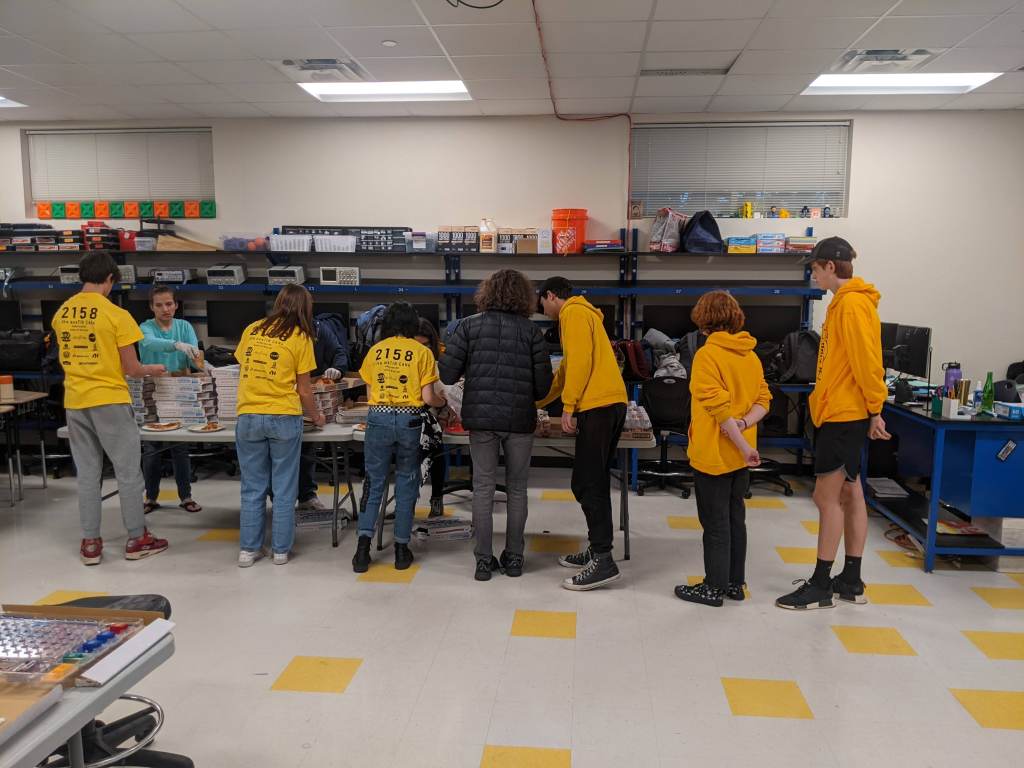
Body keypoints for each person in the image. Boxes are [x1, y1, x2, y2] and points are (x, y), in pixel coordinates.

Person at [776, 237, 890, 610]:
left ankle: (821, 584)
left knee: (825, 498)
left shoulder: (852, 305)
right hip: (843, 410)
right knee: (850, 493)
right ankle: (851, 580)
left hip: (844, 413)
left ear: (829, 266)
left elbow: (868, 362)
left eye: (814, 268)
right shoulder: (846, 303)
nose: (814, 275)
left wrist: (875, 408)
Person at [52, 251, 168, 566]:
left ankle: (91, 543)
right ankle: (137, 538)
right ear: (109, 279)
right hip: (110, 400)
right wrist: (153, 369)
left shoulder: (62, 312)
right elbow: (132, 368)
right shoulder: (116, 315)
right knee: (128, 472)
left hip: (75, 400)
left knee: (88, 474)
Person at [440, 270, 553, 581]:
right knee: (517, 489)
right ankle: (514, 558)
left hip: (481, 419)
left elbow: (447, 375)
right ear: (524, 297)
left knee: (483, 488)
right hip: (520, 419)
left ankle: (483, 560)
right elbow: (543, 388)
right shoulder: (532, 332)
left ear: (486, 293)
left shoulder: (468, 326)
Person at [673, 291, 770, 607]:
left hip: (715, 455)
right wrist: (744, 432)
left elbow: (718, 409)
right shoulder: (750, 355)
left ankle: (712, 588)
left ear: (703, 320)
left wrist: (739, 441)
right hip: (741, 457)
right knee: (735, 519)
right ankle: (734, 584)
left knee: (715, 523)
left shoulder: (707, 355)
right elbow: (763, 400)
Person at [536, 276, 628, 591]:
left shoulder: (572, 313)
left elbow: (580, 363)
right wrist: (538, 402)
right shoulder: (585, 314)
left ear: (551, 295)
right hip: (610, 403)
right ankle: (597, 549)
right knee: (595, 481)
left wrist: (569, 407)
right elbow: (565, 371)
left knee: (587, 483)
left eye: (542, 303)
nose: (543, 310)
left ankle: (604, 560)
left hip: (597, 406)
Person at [234, 284, 324, 568]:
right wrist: (317, 417)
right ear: (305, 308)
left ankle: (248, 550)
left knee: (252, 487)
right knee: (284, 487)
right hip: (284, 416)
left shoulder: (252, 329)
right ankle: (281, 551)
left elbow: (243, 370)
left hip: (248, 414)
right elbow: (304, 390)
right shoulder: (301, 337)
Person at [354, 302, 446, 573]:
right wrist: (443, 402)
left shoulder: (375, 351)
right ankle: (402, 551)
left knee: (374, 482)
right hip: (410, 421)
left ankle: (362, 551)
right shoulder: (422, 352)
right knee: (407, 483)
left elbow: (370, 395)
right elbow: (428, 398)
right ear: (412, 325)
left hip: (378, 419)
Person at [138, 285, 204, 515]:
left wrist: (201, 362)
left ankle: (186, 497)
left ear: (176, 305)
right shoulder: (145, 327)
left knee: (180, 446)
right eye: (159, 305)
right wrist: (176, 345)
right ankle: (151, 497)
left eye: (169, 304)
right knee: (151, 448)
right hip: (152, 391)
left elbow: (194, 357)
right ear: (151, 307)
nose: (165, 309)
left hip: (179, 390)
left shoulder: (184, 327)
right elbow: (149, 343)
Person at [295, 311, 350, 512]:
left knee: (306, 448)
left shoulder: (319, 328)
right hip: (283, 398)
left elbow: (339, 352)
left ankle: (306, 495)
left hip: (311, 394)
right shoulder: (280, 333)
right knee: (282, 456)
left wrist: (338, 368)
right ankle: (280, 500)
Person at [414, 317, 447, 518]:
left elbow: (439, 395)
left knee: (437, 451)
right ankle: (406, 503)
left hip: (434, 417)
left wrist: (443, 406)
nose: (422, 350)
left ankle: (436, 498)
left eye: (425, 345)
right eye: (417, 344)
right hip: (411, 418)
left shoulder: (438, 361)